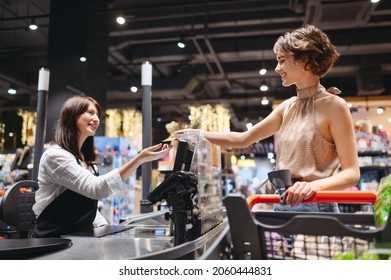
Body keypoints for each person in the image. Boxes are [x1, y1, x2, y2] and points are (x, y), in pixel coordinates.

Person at [175, 25, 360, 212]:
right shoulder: (287, 107)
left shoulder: (335, 105)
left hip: (316, 204)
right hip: (283, 202)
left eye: (281, 60)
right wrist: (197, 134)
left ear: (304, 61)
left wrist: (314, 186)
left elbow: (352, 173)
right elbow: (243, 139)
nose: (277, 68)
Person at [32, 96, 171, 237]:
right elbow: (96, 189)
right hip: (53, 238)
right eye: (91, 113)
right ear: (72, 116)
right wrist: (139, 159)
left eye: (98, 115)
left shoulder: (83, 158)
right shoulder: (55, 156)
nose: (97, 119)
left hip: (78, 236)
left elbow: (85, 204)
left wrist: (103, 226)